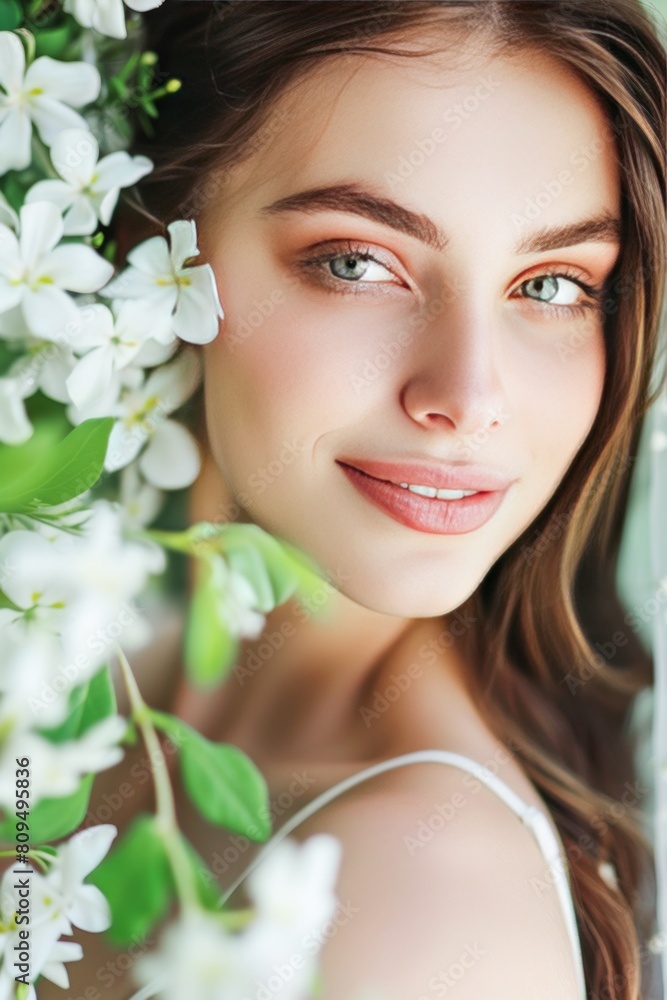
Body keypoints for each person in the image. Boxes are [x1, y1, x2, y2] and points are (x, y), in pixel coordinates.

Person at [54, 2, 666, 998]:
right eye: (356, 263)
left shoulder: (424, 906)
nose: (467, 399)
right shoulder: (69, 646)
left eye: (552, 285)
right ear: (150, 248)